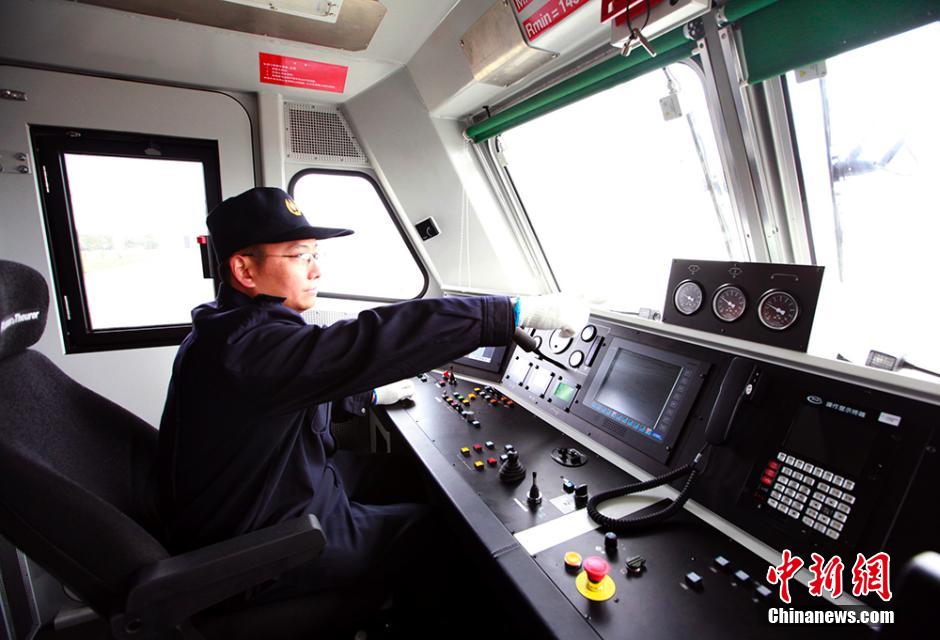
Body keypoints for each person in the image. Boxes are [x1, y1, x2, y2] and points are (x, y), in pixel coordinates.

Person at [156, 187, 588, 609]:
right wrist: (511, 312)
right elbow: (367, 340)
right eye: (299, 256)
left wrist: (369, 394)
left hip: (283, 490)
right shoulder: (245, 348)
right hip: (263, 542)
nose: (316, 271)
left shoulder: (232, 329)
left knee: (415, 476)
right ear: (245, 271)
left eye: (315, 255)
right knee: (442, 531)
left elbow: (297, 386)